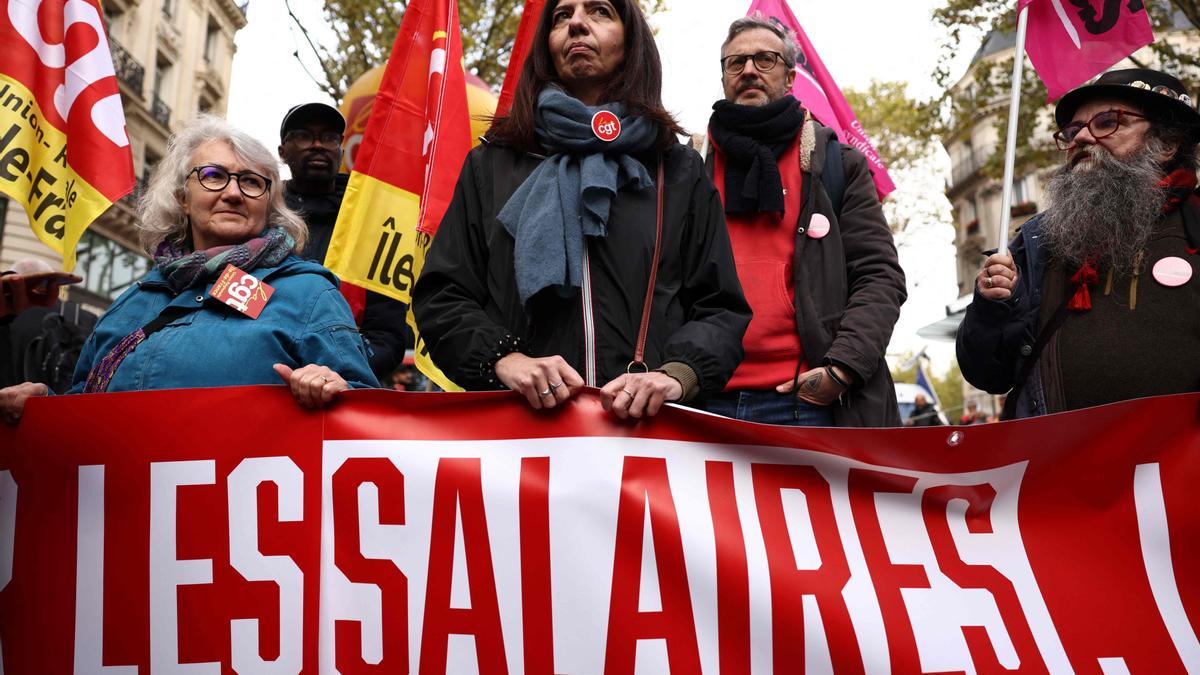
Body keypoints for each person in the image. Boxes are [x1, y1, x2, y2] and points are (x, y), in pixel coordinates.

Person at [412, 0, 751, 419]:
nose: (576, 23)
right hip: (523, 436)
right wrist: (505, 360)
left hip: (649, 436)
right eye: (561, 16)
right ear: (546, 48)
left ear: (630, 43)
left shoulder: (677, 169)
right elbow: (442, 297)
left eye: (600, 11)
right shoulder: (492, 166)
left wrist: (676, 374)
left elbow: (720, 307)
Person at [0, 115, 379, 424]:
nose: (232, 193)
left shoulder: (308, 295)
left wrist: (336, 390)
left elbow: (367, 417)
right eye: (214, 175)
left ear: (269, 203)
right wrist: (44, 408)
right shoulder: (133, 302)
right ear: (182, 196)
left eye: (251, 182)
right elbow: (85, 412)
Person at [695, 14, 906, 426]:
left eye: (765, 59)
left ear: (790, 78)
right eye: (735, 63)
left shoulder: (837, 164)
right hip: (705, 403)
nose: (749, 70)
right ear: (723, 78)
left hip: (808, 403)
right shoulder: (690, 168)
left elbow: (879, 274)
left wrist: (842, 368)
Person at [958, 68, 1200, 419]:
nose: (1082, 138)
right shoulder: (1038, 242)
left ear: (1167, 144)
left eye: (1107, 122)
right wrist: (993, 307)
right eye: (1072, 131)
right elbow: (986, 373)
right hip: (1061, 466)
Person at [279, 102, 408, 380]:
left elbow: (388, 334)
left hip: (343, 391)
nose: (318, 145)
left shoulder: (373, 222)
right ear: (282, 152)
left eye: (329, 137)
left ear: (340, 150)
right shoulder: (257, 218)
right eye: (303, 135)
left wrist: (338, 371)